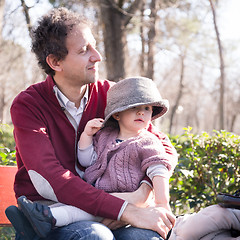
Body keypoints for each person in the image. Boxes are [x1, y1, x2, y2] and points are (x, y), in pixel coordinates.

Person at [5, 7, 178, 240]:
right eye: (85, 50)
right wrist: (123, 209)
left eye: (95, 46)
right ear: (56, 62)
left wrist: (141, 193)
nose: (97, 56)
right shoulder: (28, 105)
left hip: (115, 200)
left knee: (145, 238)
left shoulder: (112, 94)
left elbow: (163, 147)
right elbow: (51, 179)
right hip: (51, 211)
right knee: (95, 236)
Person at [15, 77, 177, 237]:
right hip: (96, 196)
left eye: (147, 108)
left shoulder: (147, 140)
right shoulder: (105, 135)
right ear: (117, 114)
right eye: (134, 107)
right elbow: (87, 160)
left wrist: (158, 200)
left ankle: (45, 218)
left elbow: (159, 166)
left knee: (80, 213)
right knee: (82, 215)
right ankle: (39, 218)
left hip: (125, 198)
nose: (141, 112)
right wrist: (86, 136)